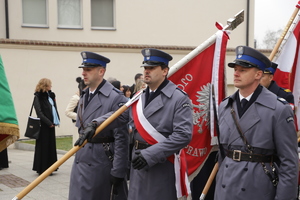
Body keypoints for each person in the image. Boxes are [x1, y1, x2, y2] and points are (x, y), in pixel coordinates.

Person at [84, 48, 193, 199]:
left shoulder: (178, 98)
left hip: (160, 164)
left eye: (152, 68)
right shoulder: (139, 97)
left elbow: (183, 135)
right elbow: (120, 115)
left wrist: (150, 154)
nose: (146, 71)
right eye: (145, 68)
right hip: (137, 164)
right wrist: (96, 124)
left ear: (165, 71)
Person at [214, 46, 298, 199]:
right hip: (226, 188)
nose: (236, 73)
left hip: (257, 188)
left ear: (258, 74)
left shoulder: (278, 109)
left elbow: (289, 163)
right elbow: (222, 154)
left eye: (243, 70)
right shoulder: (225, 106)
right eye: (235, 69)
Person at [68, 51, 129, 200]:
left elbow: (121, 138)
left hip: (100, 161)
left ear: (101, 71)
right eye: (83, 70)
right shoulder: (84, 95)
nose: (83, 73)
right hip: (81, 159)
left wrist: (118, 170)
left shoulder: (115, 97)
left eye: (88, 70)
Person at [32, 78, 60, 175]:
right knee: (43, 147)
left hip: (51, 125)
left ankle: (50, 168)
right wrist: (49, 123)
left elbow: (54, 109)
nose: (51, 86)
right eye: (50, 84)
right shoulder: (38, 96)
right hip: (44, 126)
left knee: (50, 146)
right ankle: (42, 168)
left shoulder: (50, 95)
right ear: (45, 85)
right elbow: (39, 113)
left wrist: (55, 121)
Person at [65, 77, 87, 145]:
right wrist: (80, 117)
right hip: (77, 125)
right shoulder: (75, 98)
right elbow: (68, 112)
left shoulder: (87, 97)